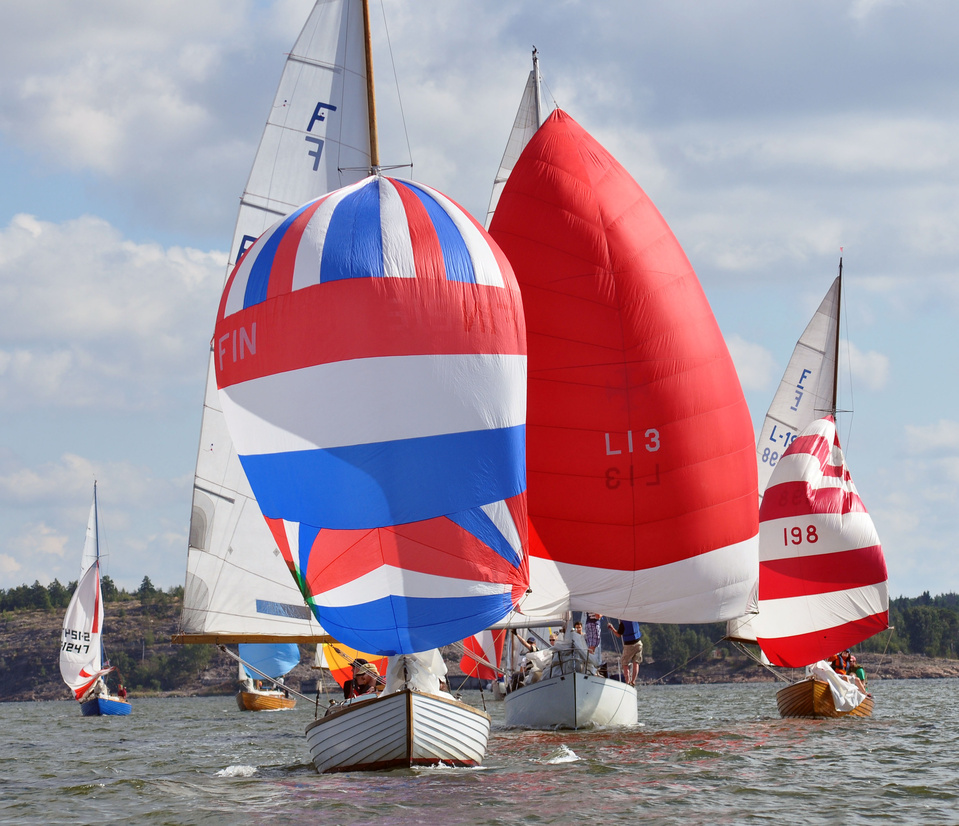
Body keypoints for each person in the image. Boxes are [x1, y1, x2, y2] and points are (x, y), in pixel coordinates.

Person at [608, 619, 643, 685]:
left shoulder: (623, 623)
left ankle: (627, 682)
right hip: (638, 643)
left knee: (624, 663)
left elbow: (618, 635)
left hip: (629, 645)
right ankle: (633, 681)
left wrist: (612, 628)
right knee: (636, 662)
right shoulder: (635, 619)